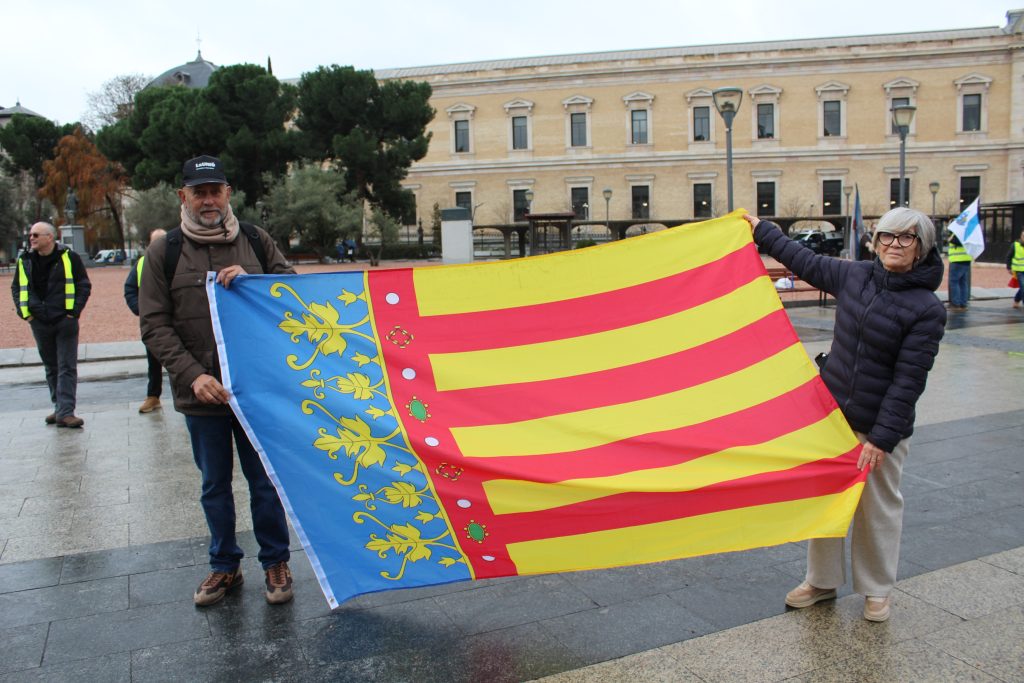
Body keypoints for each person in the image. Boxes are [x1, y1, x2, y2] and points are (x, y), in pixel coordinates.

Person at [747, 207, 946, 623]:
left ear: (921, 248)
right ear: (875, 241)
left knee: (878, 507)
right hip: (833, 417)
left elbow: (909, 381)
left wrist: (882, 437)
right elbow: (803, 260)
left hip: (880, 427)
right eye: (887, 236)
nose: (894, 245)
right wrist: (761, 231)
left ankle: (877, 589)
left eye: (906, 239)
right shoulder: (854, 276)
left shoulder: (926, 308)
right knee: (827, 501)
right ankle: (821, 581)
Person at [139, 155, 296, 607]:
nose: (208, 199)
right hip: (202, 393)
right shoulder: (163, 251)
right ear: (182, 196)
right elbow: (154, 325)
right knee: (214, 484)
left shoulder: (255, 240)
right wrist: (193, 376)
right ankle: (225, 566)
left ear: (228, 193)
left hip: (256, 390)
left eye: (216, 190)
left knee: (264, 481)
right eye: (199, 191)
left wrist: (257, 281)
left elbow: (292, 293)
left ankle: (276, 561)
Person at [11, 222, 91, 428]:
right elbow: (17, 288)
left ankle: (66, 412)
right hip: (39, 321)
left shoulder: (68, 257)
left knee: (66, 366)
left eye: (36, 235)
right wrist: (26, 314)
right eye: (30, 235)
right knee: (51, 366)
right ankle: (59, 408)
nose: (32, 238)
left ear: (50, 237)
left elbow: (83, 284)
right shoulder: (25, 260)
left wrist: (73, 312)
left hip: (65, 321)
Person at [123, 228, 167, 413]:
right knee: (154, 361)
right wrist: (143, 311)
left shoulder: (179, 261)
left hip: (180, 320)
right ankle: (153, 396)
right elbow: (130, 289)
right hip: (154, 322)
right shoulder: (142, 264)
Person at [946, 233, 972, 311]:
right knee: (963, 282)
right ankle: (963, 303)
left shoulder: (958, 231)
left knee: (954, 282)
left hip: (957, 259)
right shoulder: (969, 232)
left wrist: (949, 238)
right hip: (966, 259)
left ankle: (955, 304)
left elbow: (955, 241)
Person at [1006, 229, 1024, 309]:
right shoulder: (1015, 245)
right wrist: (1009, 267)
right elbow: (1008, 257)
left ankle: (1016, 300)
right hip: (1019, 270)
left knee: (1022, 287)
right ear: (1021, 236)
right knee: (1023, 286)